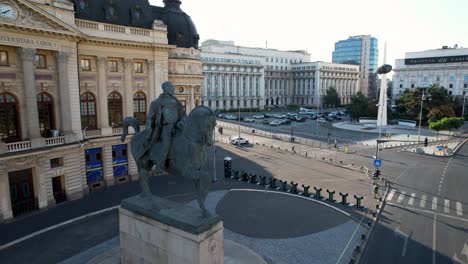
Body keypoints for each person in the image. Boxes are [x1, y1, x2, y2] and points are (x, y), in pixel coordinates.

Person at [144, 81, 186, 173]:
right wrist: (148, 129)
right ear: (166, 89)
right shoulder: (156, 103)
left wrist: (181, 121)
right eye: (171, 88)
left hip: (177, 126)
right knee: (166, 144)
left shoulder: (176, 101)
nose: (173, 89)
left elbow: (182, 114)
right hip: (165, 128)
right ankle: (160, 164)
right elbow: (150, 118)